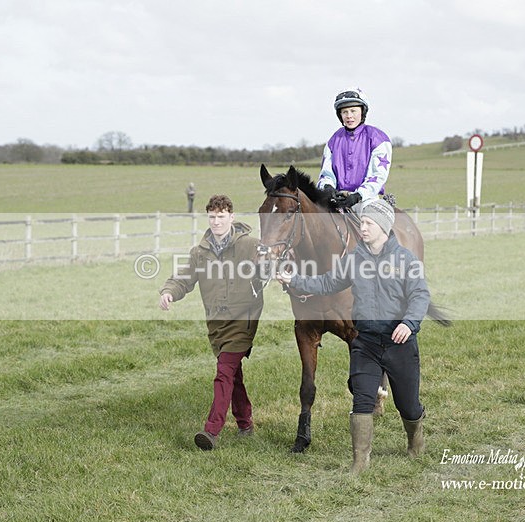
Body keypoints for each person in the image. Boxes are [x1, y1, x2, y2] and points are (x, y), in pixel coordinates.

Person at [276, 198, 429, 474]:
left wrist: (409, 323)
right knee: (361, 399)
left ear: (383, 227)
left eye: (368, 224)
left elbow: (420, 295)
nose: (363, 229)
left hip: (399, 342)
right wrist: (294, 280)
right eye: (362, 224)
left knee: (407, 404)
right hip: (366, 342)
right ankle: (360, 462)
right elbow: (327, 282)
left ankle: (415, 439)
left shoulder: (405, 260)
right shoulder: (354, 259)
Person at [159, 195, 264, 450]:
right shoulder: (200, 252)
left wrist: (272, 267)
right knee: (233, 375)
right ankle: (245, 423)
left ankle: (212, 431)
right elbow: (183, 278)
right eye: (212, 216)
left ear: (232, 217)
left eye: (221, 216)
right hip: (216, 325)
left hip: (243, 320)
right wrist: (169, 291)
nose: (216, 221)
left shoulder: (250, 245)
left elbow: (270, 263)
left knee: (224, 372)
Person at [317, 88, 393, 211]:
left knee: (371, 226)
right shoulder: (334, 139)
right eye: (345, 112)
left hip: (366, 200)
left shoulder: (378, 138)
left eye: (353, 111)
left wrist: (358, 195)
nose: (349, 116)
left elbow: (377, 175)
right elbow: (326, 172)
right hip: (338, 200)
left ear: (362, 112)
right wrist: (328, 187)